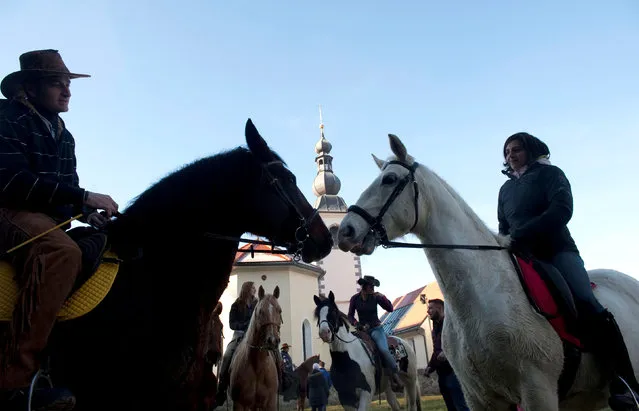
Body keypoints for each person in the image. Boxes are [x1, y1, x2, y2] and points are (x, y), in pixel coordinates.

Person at [0, 49, 119, 411]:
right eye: (57, 83)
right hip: (9, 211)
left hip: (47, 219)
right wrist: (83, 196)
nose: (67, 91)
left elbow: (65, 197)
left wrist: (87, 213)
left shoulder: (65, 136)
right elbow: (12, 180)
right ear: (29, 89)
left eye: (68, 84)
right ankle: (13, 385)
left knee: (109, 246)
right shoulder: (8, 116)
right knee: (61, 252)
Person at [498, 132, 639, 411]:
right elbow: (503, 227)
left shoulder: (552, 174)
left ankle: (626, 383)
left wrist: (522, 234)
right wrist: (503, 245)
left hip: (558, 251)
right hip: (522, 257)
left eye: (516, 150)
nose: (510, 155)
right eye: (506, 152)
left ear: (531, 150)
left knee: (585, 301)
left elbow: (562, 210)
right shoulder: (505, 190)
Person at [347, 275, 404, 390]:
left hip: (376, 329)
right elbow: (350, 315)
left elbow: (390, 309)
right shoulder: (355, 299)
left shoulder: (376, 297)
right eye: (370, 286)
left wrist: (383, 297)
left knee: (383, 349)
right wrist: (355, 323)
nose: (373, 289)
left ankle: (395, 375)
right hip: (362, 331)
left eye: (373, 287)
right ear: (364, 286)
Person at [215, 281, 257, 406]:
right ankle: (221, 390)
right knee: (227, 356)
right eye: (253, 287)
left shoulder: (256, 304)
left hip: (254, 336)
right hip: (239, 335)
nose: (255, 290)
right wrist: (244, 326)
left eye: (255, 288)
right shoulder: (236, 305)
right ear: (247, 289)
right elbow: (232, 324)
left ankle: (282, 378)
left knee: (273, 350)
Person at [424, 299, 469, 411]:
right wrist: (430, 366)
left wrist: (447, 353)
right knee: (451, 407)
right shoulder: (435, 328)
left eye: (430, 308)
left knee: (461, 406)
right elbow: (436, 351)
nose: (428, 311)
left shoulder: (452, 324)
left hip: (454, 372)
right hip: (442, 375)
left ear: (439, 308)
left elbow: (462, 342)